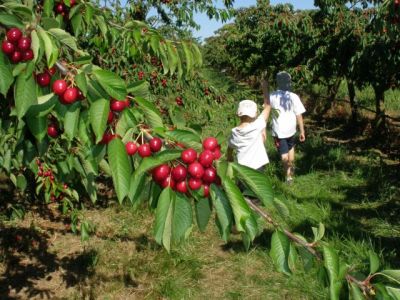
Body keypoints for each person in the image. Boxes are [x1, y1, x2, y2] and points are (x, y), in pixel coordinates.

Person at [266, 71, 306, 184]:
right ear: (289, 82)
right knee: (291, 147)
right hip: (291, 130)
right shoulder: (293, 96)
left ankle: (288, 177)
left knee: (284, 154)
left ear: (277, 82)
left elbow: (266, 110)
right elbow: (299, 115)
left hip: (279, 131)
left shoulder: (272, 96)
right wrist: (302, 131)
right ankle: (291, 169)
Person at [227, 98, 271, 173]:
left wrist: (230, 158)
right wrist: (265, 87)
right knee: (256, 184)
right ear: (256, 114)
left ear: (238, 113)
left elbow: (230, 148)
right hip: (257, 167)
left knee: (242, 184)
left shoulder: (234, 132)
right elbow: (268, 107)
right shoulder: (257, 125)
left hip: (242, 170)